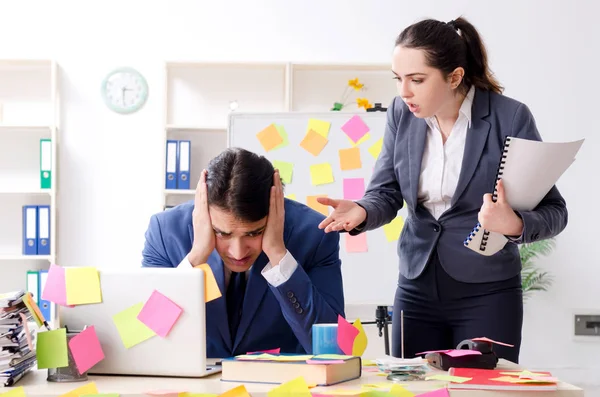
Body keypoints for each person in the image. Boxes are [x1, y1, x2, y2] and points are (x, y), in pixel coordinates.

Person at [317, 17, 568, 363]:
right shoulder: (400, 114)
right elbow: (386, 191)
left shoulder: (509, 118)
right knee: (413, 387)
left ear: (454, 77)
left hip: (487, 292)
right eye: (398, 79)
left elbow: (555, 211)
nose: (404, 92)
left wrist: (512, 224)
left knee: (481, 388)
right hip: (416, 286)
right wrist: (362, 210)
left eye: (417, 80)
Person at [142, 147, 344, 358]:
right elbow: (147, 339)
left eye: (254, 233)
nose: (238, 253)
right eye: (222, 233)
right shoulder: (165, 231)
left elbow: (335, 351)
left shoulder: (316, 234)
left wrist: (278, 255)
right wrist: (196, 257)